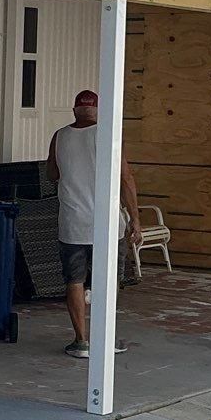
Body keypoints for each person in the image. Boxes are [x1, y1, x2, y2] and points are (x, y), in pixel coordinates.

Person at [45, 89, 139, 358]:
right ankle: (105, 339)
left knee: (74, 281)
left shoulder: (60, 136)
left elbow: (52, 173)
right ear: (98, 111)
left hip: (73, 222)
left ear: (74, 110)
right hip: (108, 224)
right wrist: (136, 219)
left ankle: (81, 342)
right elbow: (126, 178)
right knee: (107, 282)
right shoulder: (108, 134)